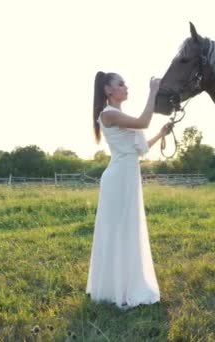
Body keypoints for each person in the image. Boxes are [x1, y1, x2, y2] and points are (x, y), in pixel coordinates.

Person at [86, 71, 173, 309]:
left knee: (127, 230)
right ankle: (116, 288)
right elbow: (143, 121)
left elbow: (141, 148)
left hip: (127, 175)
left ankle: (122, 284)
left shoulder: (120, 115)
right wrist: (153, 92)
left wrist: (161, 134)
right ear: (108, 90)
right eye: (121, 84)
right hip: (118, 178)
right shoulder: (109, 114)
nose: (126, 87)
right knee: (118, 231)